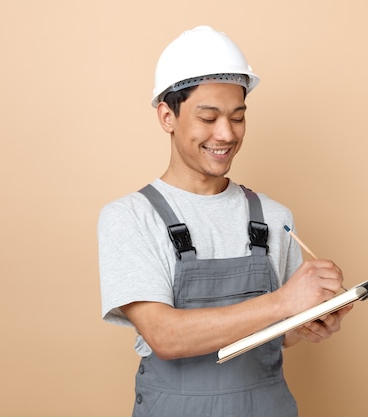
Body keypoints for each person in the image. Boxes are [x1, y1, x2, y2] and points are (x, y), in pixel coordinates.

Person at [98, 25, 352, 417]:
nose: (226, 134)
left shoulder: (273, 217)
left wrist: (306, 322)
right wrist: (283, 302)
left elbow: (277, 338)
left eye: (237, 117)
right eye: (208, 117)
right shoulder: (130, 218)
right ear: (167, 116)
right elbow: (164, 335)